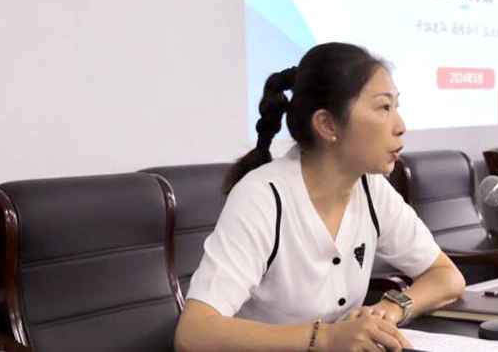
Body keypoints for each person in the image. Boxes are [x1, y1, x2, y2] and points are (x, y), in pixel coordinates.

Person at [174, 42, 465, 352]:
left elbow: (446, 276)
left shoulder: (371, 187)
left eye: (397, 107)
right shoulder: (263, 197)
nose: (400, 126)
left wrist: (391, 309)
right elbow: (192, 333)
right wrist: (325, 337)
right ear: (327, 124)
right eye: (383, 108)